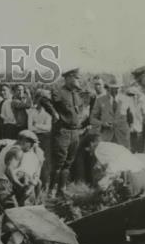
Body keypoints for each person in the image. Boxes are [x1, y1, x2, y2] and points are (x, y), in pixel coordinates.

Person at [49, 67, 85, 196]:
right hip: (62, 132)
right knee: (59, 162)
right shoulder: (59, 91)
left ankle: (62, 189)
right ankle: (51, 190)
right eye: (76, 77)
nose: (78, 80)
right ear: (68, 77)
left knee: (68, 163)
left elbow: (80, 109)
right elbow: (43, 99)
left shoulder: (77, 94)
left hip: (74, 132)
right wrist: (54, 113)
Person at [0, 131, 38, 214]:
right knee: (14, 216)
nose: (32, 146)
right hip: (1, 187)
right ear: (23, 140)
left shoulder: (10, 147)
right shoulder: (17, 151)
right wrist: (20, 186)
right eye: (31, 143)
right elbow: (8, 171)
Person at [27, 88, 57, 193]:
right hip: (34, 138)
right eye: (40, 98)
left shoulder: (49, 112)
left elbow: (49, 128)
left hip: (46, 138)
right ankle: (32, 184)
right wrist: (40, 127)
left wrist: (37, 125)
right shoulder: (32, 111)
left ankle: (44, 185)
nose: (42, 101)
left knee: (45, 161)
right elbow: (30, 127)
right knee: (33, 160)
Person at [90, 77, 132, 149]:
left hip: (123, 138)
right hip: (106, 137)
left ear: (121, 88)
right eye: (112, 88)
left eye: (117, 88)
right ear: (108, 88)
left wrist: (127, 131)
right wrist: (103, 123)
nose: (115, 91)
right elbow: (92, 119)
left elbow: (131, 119)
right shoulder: (100, 100)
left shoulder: (127, 100)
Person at [126, 84, 145, 153]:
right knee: (132, 150)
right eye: (130, 95)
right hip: (132, 129)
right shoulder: (129, 100)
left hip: (142, 130)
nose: (131, 97)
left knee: (141, 151)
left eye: (133, 95)